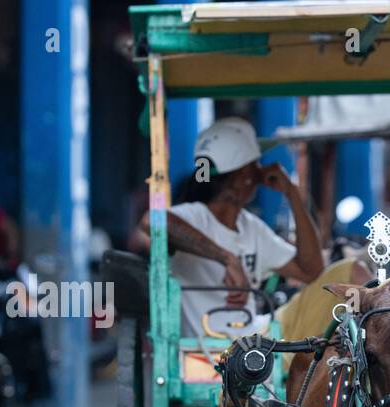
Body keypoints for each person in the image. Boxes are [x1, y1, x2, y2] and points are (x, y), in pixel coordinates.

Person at [133, 116, 324, 337]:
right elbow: (151, 222)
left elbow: (312, 271)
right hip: (207, 352)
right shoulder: (194, 217)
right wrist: (228, 259)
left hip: (252, 347)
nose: (262, 171)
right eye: (257, 166)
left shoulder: (251, 227)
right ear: (244, 177)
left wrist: (292, 194)